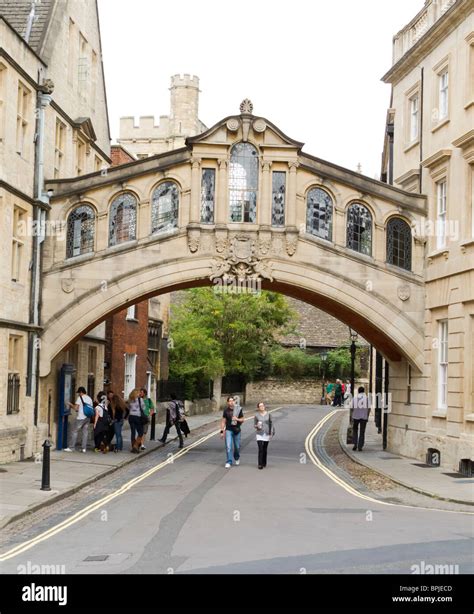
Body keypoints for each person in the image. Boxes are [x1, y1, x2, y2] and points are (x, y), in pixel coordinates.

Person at [64, 386, 93, 453]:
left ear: (81, 392)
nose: (78, 394)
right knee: (85, 433)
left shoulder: (80, 398)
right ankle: (83, 448)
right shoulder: (89, 398)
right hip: (87, 417)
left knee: (74, 431)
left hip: (81, 417)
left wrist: (70, 404)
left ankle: (71, 447)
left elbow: (76, 408)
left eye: (78, 393)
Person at [220, 396, 244, 468]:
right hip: (228, 430)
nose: (231, 402)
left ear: (234, 401)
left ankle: (236, 457)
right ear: (228, 402)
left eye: (232, 400)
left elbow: (242, 419)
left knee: (237, 446)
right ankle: (229, 461)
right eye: (230, 401)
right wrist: (222, 431)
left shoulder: (238, 409)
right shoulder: (226, 411)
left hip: (237, 430)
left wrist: (237, 419)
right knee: (228, 446)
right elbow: (223, 421)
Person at [254, 402, 275, 469]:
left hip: (267, 433)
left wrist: (271, 432)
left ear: (264, 406)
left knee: (264, 449)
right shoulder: (256, 415)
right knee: (260, 449)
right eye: (260, 406)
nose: (262, 407)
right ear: (258, 408)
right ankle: (260, 464)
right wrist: (257, 426)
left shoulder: (269, 414)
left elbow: (271, 424)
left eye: (262, 406)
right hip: (259, 433)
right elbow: (254, 425)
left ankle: (264, 462)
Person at [351, 386, 371, 451]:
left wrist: (351, 416)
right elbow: (369, 408)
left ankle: (355, 444)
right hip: (364, 417)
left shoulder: (355, 398)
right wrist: (367, 416)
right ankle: (360, 446)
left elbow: (351, 408)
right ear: (364, 391)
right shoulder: (367, 398)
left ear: (358, 391)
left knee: (355, 430)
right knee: (362, 431)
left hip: (355, 416)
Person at [126, 388, 145, 453]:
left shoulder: (129, 400)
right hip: (137, 417)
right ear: (136, 393)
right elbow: (143, 408)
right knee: (141, 432)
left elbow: (128, 408)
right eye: (139, 392)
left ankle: (133, 447)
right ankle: (135, 446)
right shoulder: (140, 400)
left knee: (133, 432)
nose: (140, 393)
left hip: (131, 417)